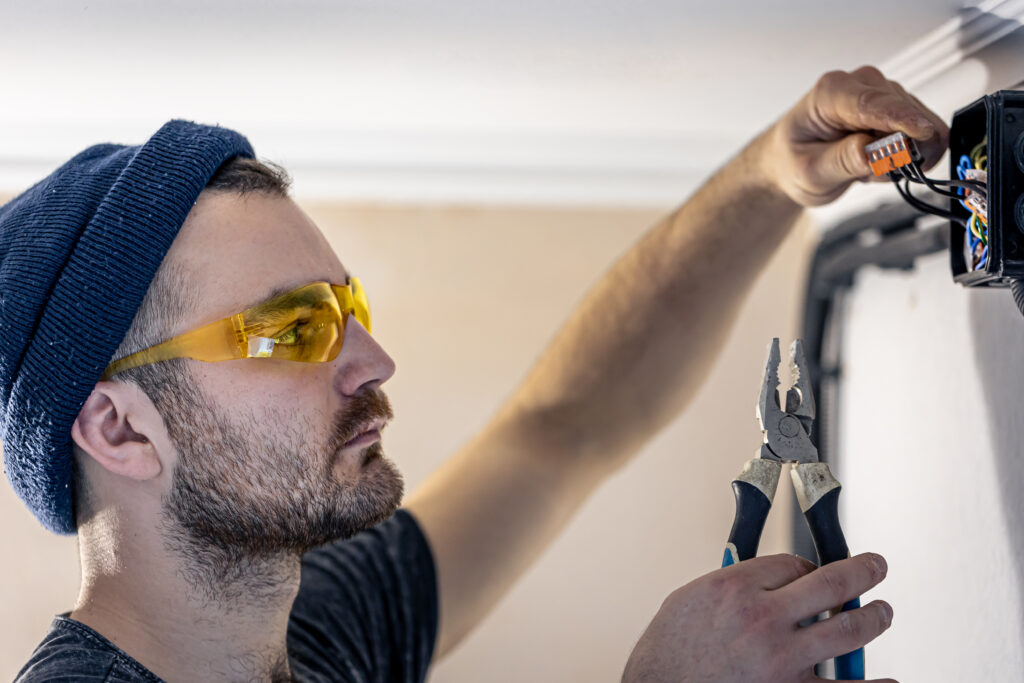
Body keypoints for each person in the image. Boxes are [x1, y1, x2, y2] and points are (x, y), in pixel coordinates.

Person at [0, 66, 943, 682]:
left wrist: (768, 177)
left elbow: (564, 426)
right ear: (120, 429)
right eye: (292, 329)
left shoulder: (319, 637)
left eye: (349, 310)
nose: (373, 361)